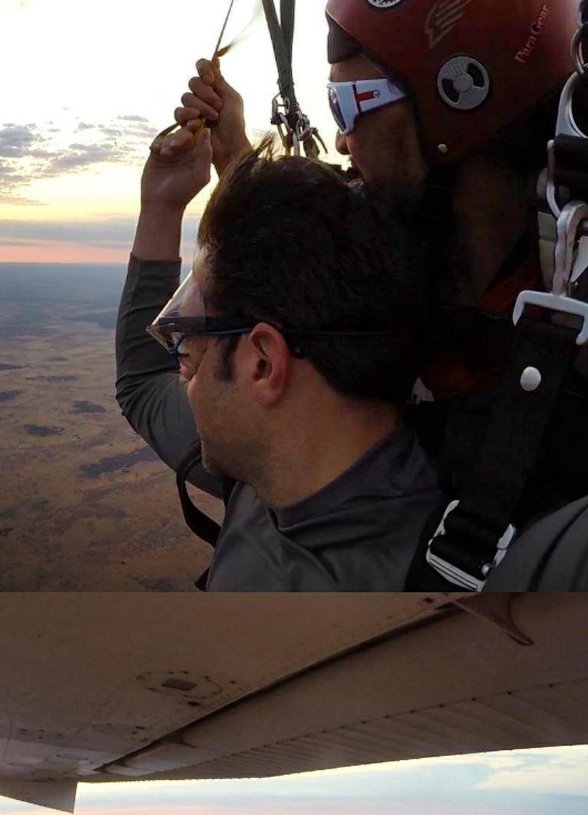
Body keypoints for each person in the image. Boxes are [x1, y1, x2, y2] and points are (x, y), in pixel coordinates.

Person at [116, 0, 588, 590]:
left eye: (348, 105)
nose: (340, 140)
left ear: (460, 99)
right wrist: (197, 190)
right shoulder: (305, 407)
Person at [118, 131, 444, 590]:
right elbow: (143, 385)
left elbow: (143, 384)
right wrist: (162, 206)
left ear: (264, 365)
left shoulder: (410, 594)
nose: (183, 370)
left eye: (193, 345)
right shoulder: (269, 466)